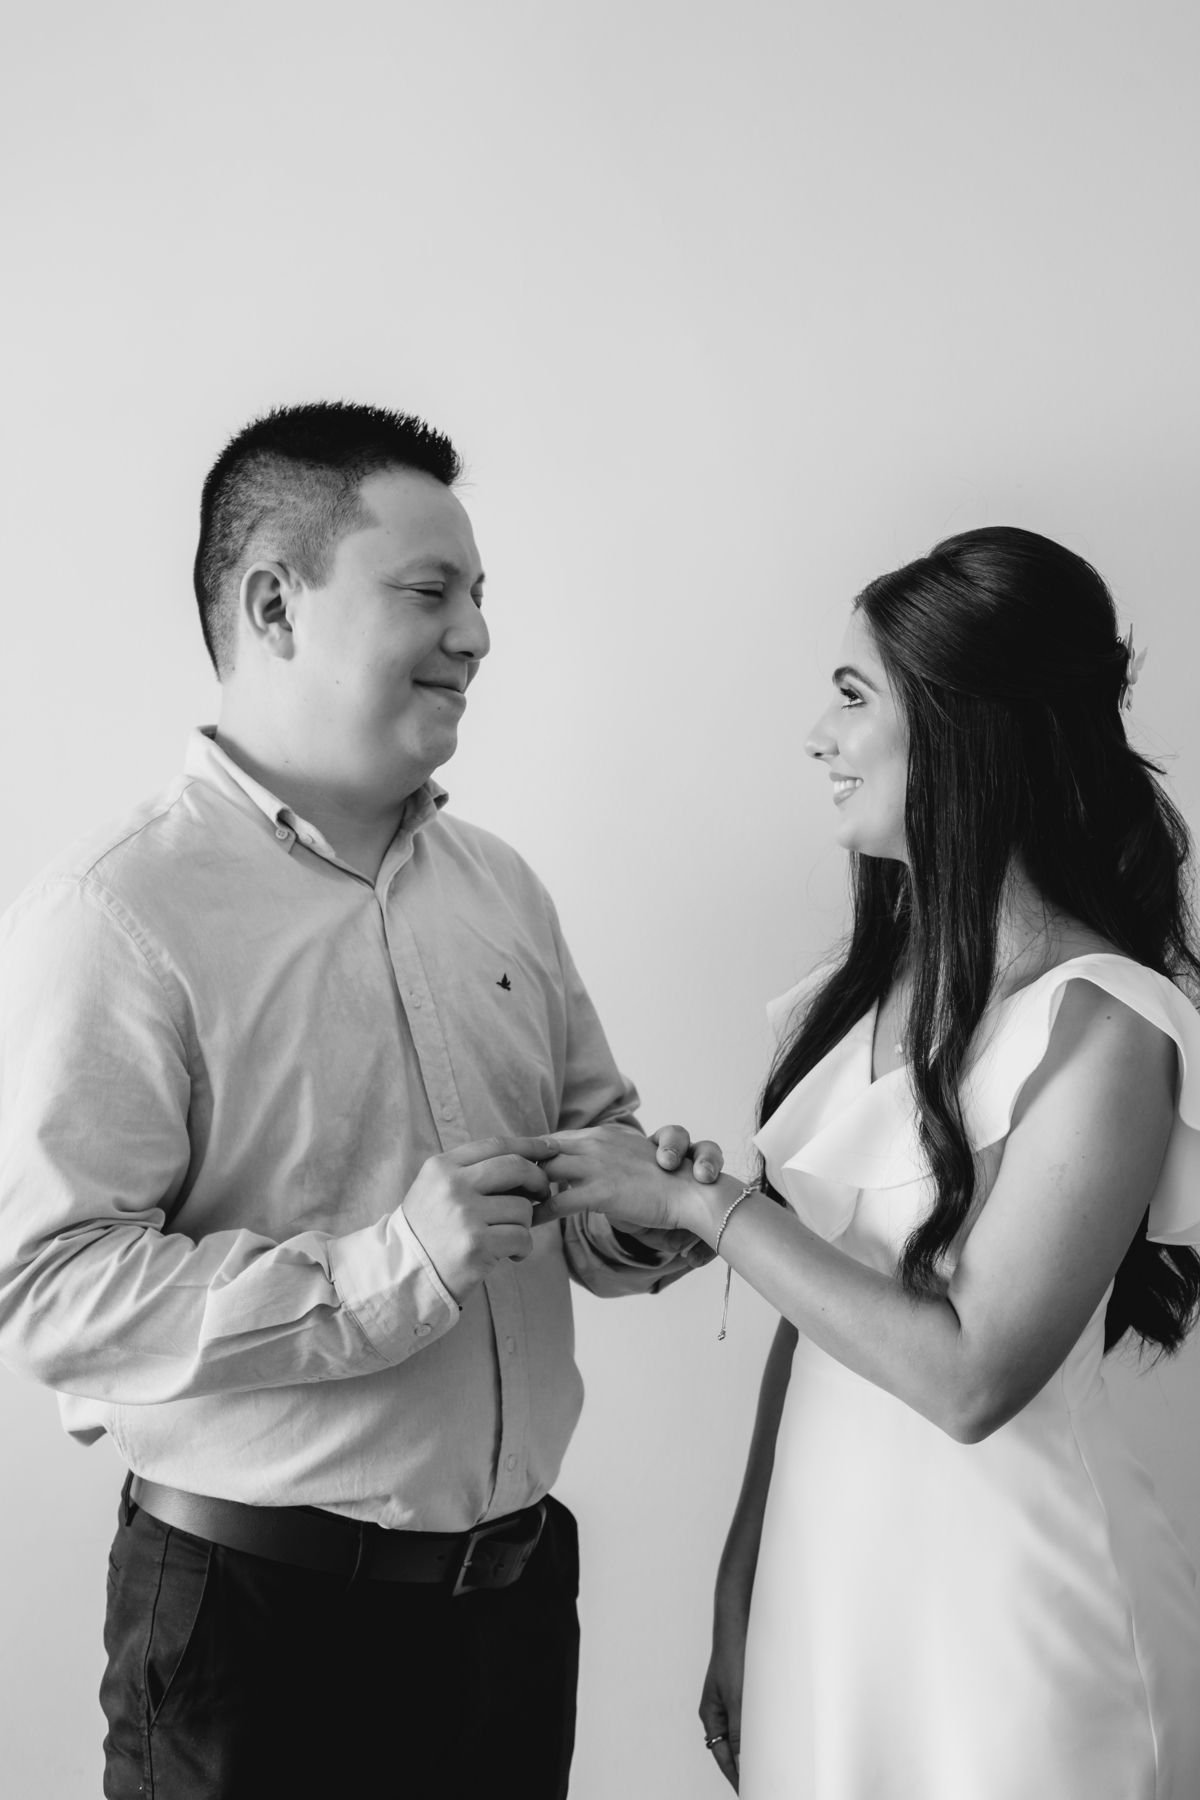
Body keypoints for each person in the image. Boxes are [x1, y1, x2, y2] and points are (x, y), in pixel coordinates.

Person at [0, 401, 721, 1800]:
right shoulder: (115, 915)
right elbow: (47, 1291)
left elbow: (592, 1150)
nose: (478, 634)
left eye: (480, 595)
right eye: (430, 592)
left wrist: (638, 1219)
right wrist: (393, 1268)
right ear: (276, 604)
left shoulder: (502, 887)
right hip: (259, 1637)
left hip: (511, 1619)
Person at [537, 526, 1200, 1799]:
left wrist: (705, 1204)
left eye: (852, 697)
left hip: (1012, 1623)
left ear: (962, 729)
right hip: (827, 1599)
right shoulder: (854, 1000)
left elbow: (970, 1376)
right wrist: (742, 1580)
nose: (818, 736)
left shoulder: (1106, 1025)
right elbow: (812, 1331)